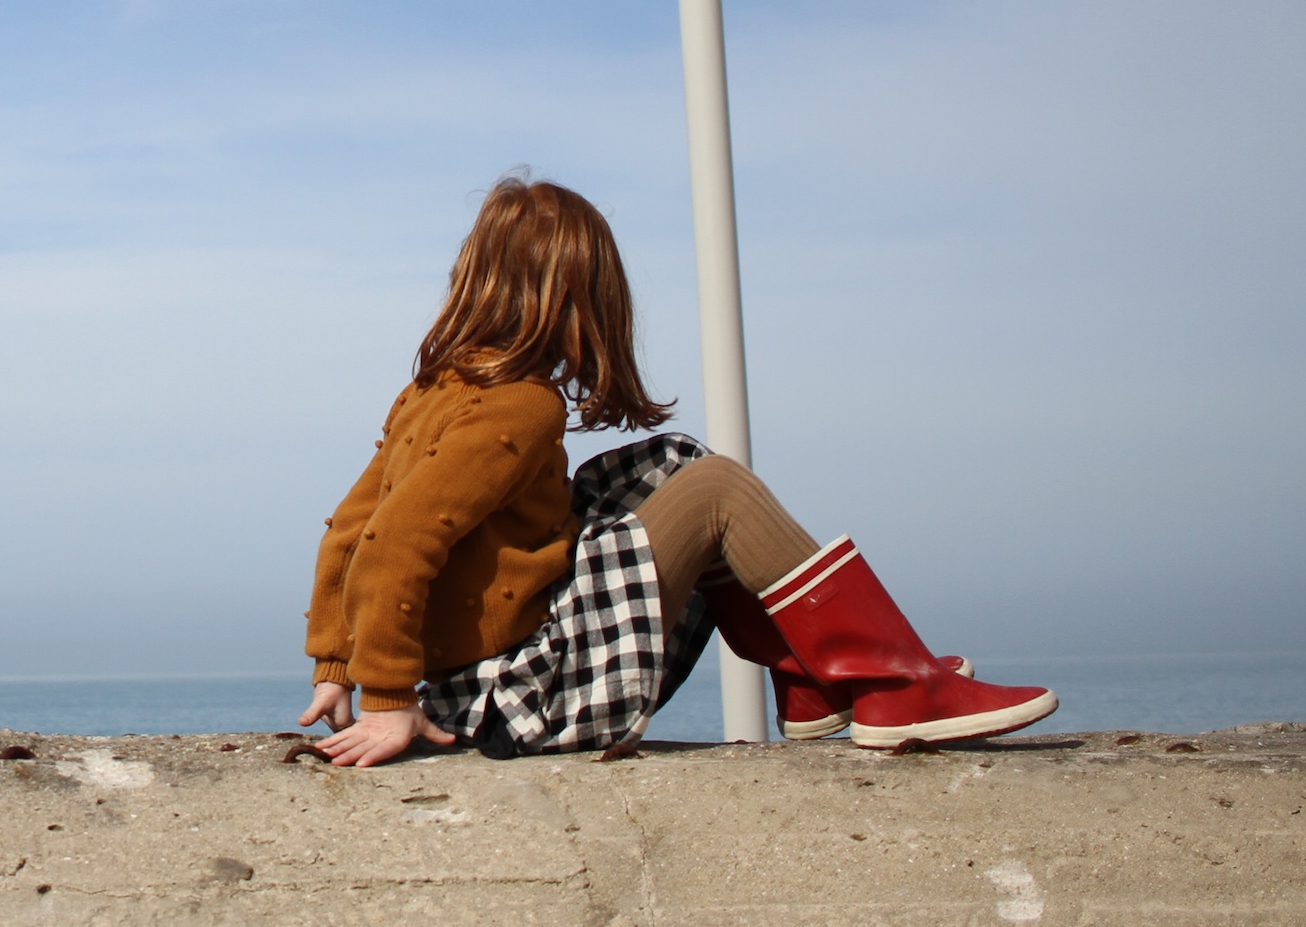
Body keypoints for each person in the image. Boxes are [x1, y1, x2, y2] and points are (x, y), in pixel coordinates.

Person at [300, 175, 1056, 766]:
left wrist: (335, 663)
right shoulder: (521, 404)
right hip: (521, 694)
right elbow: (393, 543)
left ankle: (808, 679)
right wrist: (388, 698)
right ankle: (897, 687)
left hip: (487, 683)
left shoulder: (433, 389)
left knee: (673, 464)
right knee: (717, 490)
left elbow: (349, 530)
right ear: (580, 294)